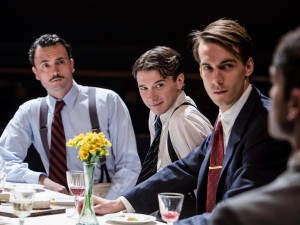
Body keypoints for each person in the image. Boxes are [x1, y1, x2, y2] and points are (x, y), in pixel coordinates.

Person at [78, 18, 292, 225]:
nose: (216, 79)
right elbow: (187, 168)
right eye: (208, 67)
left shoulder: (266, 123)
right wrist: (121, 203)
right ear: (200, 71)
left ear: (248, 67)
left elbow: (237, 212)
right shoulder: (229, 114)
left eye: (226, 66)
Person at [0, 34, 141, 198]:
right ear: (36, 73)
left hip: (104, 195)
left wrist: (109, 204)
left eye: (60, 62)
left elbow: (129, 165)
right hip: (55, 199)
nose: (55, 71)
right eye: (46, 65)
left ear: (71, 64)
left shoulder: (107, 101)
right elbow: (3, 161)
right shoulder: (30, 111)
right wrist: (41, 180)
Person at [209, 26, 300, 225]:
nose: (270, 96)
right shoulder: (224, 120)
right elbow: (190, 164)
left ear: (294, 103)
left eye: (274, 84)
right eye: (207, 67)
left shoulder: (236, 216)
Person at [132, 46, 213, 217]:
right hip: (164, 209)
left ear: (179, 81)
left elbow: (206, 188)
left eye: (159, 85)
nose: (151, 97)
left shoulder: (182, 120)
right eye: (143, 88)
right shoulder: (156, 113)